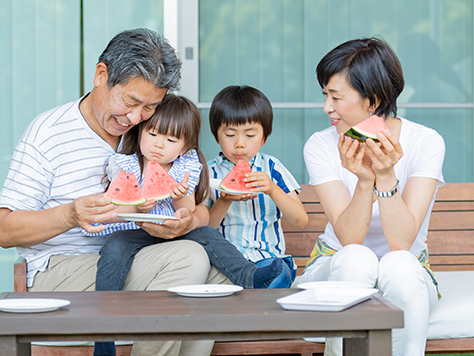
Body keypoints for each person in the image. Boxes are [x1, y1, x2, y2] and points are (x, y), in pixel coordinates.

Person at [0, 28, 227, 356]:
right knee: (191, 258)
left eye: (150, 107)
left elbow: (199, 209)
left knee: (220, 278)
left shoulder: (152, 133)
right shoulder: (48, 133)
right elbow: (5, 229)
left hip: (140, 253)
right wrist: (70, 215)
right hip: (63, 267)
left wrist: (186, 221)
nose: (135, 117)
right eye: (131, 101)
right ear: (101, 75)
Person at [89, 93, 282, 356]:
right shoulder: (125, 165)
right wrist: (138, 207)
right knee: (113, 247)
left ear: (184, 147)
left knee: (205, 233)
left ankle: (249, 275)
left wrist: (181, 200)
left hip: (173, 235)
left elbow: (187, 213)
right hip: (133, 233)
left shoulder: (185, 167)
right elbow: (116, 208)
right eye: (153, 134)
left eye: (170, 140)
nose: (159, 145)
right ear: (140, 132)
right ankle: (103, 334)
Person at [302, 37, 445, 356]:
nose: (327, 107)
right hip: (334, 266)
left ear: (374, 99)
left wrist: (385, 175)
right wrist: (364, 182)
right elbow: (351, 238)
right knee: (356, 257)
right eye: (325, 95)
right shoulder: (320, 145)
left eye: (336, 97)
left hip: (408, 272)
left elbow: (401, 243)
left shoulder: (426, 142)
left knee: (400, 264)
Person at [205, 85, 308, 288]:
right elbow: (205, 229)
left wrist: (272, 189)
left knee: (280, 272)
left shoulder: (273, 168)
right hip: (225, 264)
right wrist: (225, 199)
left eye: (250, 135)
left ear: (264, 137)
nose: (240, 143)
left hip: (268, 260)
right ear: (216, 136)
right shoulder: (208, 173)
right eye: (230, 134)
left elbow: (300, 220)